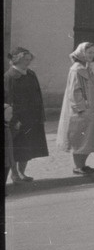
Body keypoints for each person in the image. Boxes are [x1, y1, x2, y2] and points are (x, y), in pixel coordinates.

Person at [56, 42, 94, 175]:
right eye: (89, 52)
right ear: (81, 53)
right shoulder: (76, 69)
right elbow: (74, 91)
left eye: (93, 52)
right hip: (80, 111)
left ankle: (82, 165)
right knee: (79, 139)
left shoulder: (87, 68)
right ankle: (78, 166)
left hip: (90, 108)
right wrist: (81, 108)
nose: (91, 55)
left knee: (88, 138)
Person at [4, 48, 49, 183]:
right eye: (25, 59)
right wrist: (14, 119)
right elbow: (8, 99)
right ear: (16, 59)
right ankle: (14, 174)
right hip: (18, 119)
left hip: (32, 117)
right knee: (16, 148)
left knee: (27, 148)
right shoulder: (9, 76)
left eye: (29, 59)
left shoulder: (30, 74)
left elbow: (38, 96)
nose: (28, 62)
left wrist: (40, 115)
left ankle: (22, 173)